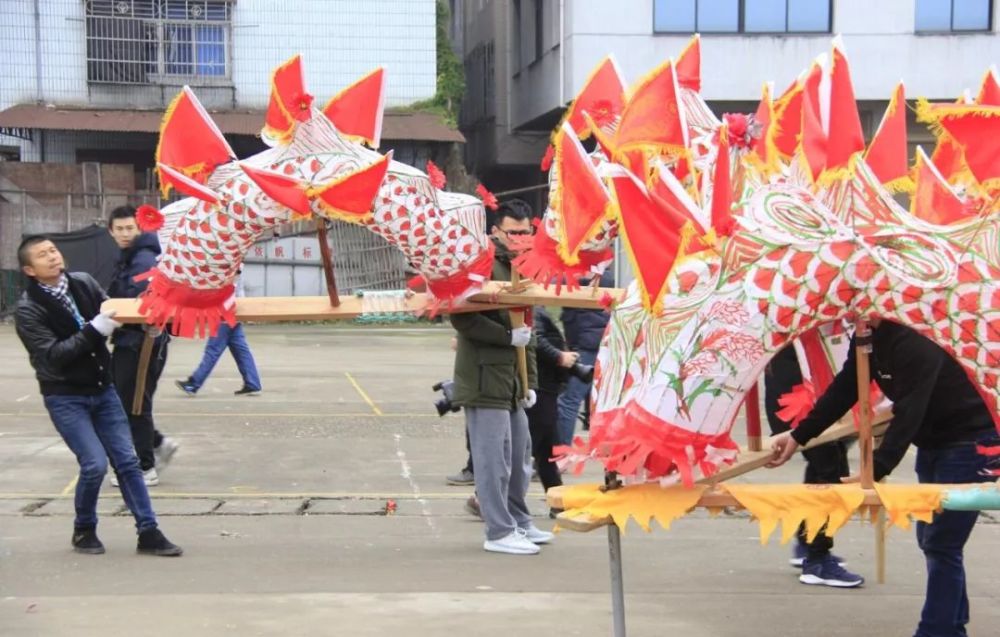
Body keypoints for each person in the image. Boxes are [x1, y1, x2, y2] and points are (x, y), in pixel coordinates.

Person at [769, 320, 999, 634]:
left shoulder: (918, 337)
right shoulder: (867, 335)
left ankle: (938, 630)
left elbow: (910, 411)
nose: (850, 311)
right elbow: (846, 387)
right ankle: (952, 623)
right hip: (934, 443)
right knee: (933, 540)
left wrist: (875, 469)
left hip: (972, 442)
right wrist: (799, 436)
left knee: (942, 541)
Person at [14, 236, 182, 556]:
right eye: (41, 255)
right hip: (66, 397)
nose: (51, 257)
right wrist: (95, 329)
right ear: (29, 269)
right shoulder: (28, 310)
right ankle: (84, 528)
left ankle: (149, 532)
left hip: (103, 390)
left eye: (52, 250)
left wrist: (144, 328)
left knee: (129, 462)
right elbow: (54, 356)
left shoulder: (83, 283)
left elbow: (114, 322)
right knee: (94, 464)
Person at [449, 199, 554, 555]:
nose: (521, 238)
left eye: (527, 232)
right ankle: (498, 531)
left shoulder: (523, 268)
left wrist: (531, 384)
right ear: (496, 231)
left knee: (520, 457)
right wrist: (507, 337)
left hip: (514, 380)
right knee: (493, 459)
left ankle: (519, 520)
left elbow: (531, 328)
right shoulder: (480, 263)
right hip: (484, 377)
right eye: (513, 232)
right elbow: (462, 316)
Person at [763, 344, 854, 581]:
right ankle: (817, 560)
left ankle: (809, 546)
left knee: (826, 467)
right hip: (797, 405)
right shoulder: (796, 319)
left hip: (812, 403)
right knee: (830, 472)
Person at [107, 206, 178, 487]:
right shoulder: (131, 257)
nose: (125, 233)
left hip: (142, 343)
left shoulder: (144, 259)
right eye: (120, 229)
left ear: (140, 229)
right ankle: (159, 444)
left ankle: (144, 466)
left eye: (130, 228)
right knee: (127, 402)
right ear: (111, 231)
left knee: (135, 405)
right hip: (131, 341)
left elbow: (143, 304)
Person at [176, 273, 262, 396]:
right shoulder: (236, 265)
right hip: (233, 313)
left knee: (213, 351)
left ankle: (193, 384)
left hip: (223, 315)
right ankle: (252, 383)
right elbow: (238, 289)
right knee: (241, 351)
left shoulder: (227, 266)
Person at [556, 268, 613, 446]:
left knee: (569, 400)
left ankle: (561, 452)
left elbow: (556, 283)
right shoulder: (608, 271)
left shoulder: (587, 273)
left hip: (586, 344)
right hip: (596, 342)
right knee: (600, 400)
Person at [529, 305, 577, 516]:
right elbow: (535, 339)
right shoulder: (533, 310)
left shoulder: (535, 309)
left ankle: (558, 502)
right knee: (535, 446)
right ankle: (482, 498)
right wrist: (560, 356)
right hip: (539, 386)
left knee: (545, 448)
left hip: (543, 385)